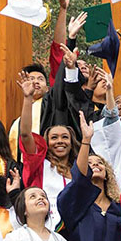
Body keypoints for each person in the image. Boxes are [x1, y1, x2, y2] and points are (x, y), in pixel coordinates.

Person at [57, 112, 121, 241]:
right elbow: (78, 181)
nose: (95, 165)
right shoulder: (77, 207)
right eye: (90, 163)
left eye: (99, 163)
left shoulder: (119, 209)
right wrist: (86, 140)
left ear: (108, 173)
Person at [8, 0, 82, 157]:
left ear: (49, 87)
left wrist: (63, 10)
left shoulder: (54, 104)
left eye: (40, 79)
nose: (35, 81)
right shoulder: (17, 122)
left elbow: (58, 53)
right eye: (30, 78)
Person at [18, 71, 79, 228]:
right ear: (46, 142)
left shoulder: (78, 169)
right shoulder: (39, 164)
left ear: (72, 142)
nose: (60, 141)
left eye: (65, 137)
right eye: (54, 138)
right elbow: (25, 134)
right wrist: (28, 98)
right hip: (46, 226)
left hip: (77, 229)